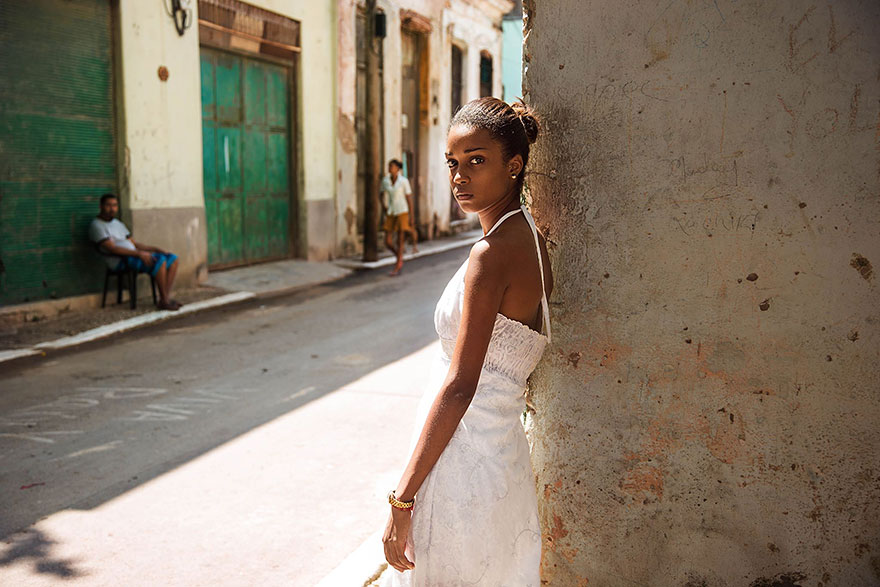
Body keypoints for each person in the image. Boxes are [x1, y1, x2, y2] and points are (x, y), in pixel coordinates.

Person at [381, 97, 551, 586]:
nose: (460, 176)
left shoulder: (490, 255)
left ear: (513, 166)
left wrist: (402, 497)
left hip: (459, 467)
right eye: (454, 163)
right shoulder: (533, 240)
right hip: (501, 463)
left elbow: (460, 386)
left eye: (477, 161)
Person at [89, 193, 183, 311]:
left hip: (133, 255)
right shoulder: (97, 225)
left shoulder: (118, 224)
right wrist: (139, 254)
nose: (112, 209)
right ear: (101, 206)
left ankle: (166, 298)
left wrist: (153, 249)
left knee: (173, 258)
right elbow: (112, 248)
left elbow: (134, 244)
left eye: (114, 205)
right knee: (160, 260)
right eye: (108, 205)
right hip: (120, 260)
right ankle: (164, 301)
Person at [381, 159, 418, 276]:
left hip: (402, 211)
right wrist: (384, 207)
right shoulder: (385, 181)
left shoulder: (403, 181)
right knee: (387, 241)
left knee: (400, 240)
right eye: (389, 166)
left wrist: (411, 217)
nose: (389, 168)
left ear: (397, 168)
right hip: (391, 212)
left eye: (392, 166)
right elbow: (380, 194)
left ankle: (397, 265)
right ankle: (399, 256)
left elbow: (409, 199)